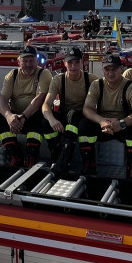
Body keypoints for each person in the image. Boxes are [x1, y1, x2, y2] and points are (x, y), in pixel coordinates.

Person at [76, 53, 132, 179]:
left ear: (121, 69)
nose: (110, 73)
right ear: (103, 70)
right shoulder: (97, 85)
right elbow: (87, 109)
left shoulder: (130, 87)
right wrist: (102, 121)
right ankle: (89, 165)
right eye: (107, 69)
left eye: (114, 69)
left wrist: (121, 123)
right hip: (104, 127)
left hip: (122, 127)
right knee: (84, 124)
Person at [0, 45, 52, 168]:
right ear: (19, 62)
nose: (28, 64)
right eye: (25, 61)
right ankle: (14, 152)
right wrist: (9, 117)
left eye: (31, 61)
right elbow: (3, 99)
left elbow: (40, 98)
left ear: (37, 61)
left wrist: (23, 116)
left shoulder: (44, 74)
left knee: (40, 115)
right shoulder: (12, 75)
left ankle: (31, 154)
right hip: (15, 121)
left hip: (32, 118)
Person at [42, 46, 91, 175]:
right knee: (44, 123)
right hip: (66, 117)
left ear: (82, 62)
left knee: (74, 115)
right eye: (70, 62)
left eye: (76, 62)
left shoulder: (91, 79)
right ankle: (56, 152)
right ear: (65, 63)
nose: (73, 66)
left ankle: (65, 161)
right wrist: (52, 120)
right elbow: (46, 105)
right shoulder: (58, 80)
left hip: (82, 117)